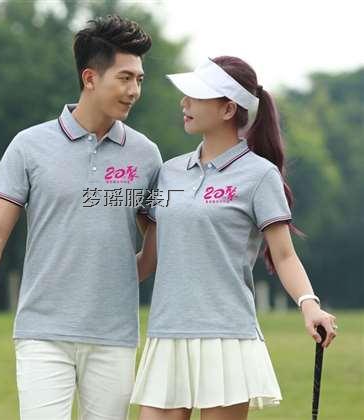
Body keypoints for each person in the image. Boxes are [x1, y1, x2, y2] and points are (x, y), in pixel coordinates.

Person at [0, 15, 162, 420]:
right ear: (90, 78)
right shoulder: (29, 146)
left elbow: (157, 238)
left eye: (139, 80)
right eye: (125, 78)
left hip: (114, 336)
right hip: (42, 333)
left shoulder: (146, 155)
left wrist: (118, 279)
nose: (134, 91)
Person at [131, 56, 338, 420]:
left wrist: (309, 305)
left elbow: (285, 256)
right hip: (168, 331)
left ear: (228, 109)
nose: (184, 103)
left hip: (226, 337)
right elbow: (150, 258)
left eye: (196, 96)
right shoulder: (169, 172)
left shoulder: (259, 175)